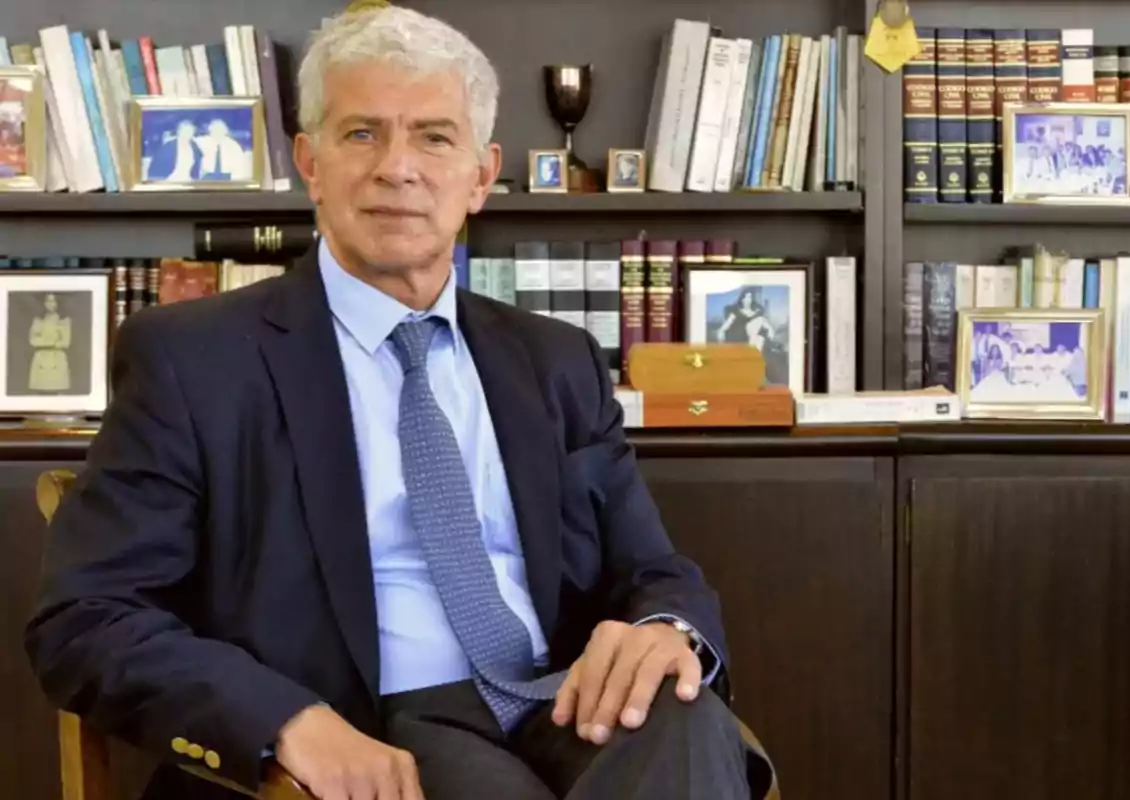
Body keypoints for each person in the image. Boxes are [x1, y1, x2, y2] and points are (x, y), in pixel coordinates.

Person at [25, 6, 770, 800]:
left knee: (684, 714)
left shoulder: (555, 360)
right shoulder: (192, 359)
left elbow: (653, 568)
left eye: (434, 137)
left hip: (557, 698)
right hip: (368, 724)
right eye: (361, 134)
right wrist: (284, 722)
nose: (397, 168)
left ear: (481, 176)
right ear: (309, 162)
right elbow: (88, 619)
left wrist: (666, 631)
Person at [27, 292, 72, 393]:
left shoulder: (63, 321)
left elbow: (65, 342)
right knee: (39, 390)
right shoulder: (38, 321)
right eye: (48, 301)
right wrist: (52, 341)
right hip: (41, 359)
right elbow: (33, 340)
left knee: (57, 389)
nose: (50, 304)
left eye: (53, 301)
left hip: (56, 359)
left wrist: (43, 340)